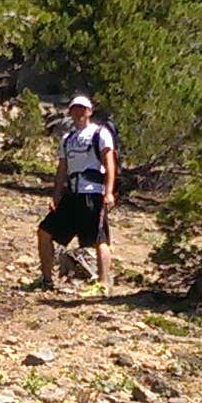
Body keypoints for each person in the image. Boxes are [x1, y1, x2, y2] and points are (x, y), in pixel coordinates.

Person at [35, 93, 117, 294]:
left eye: (83, 108)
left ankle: (104, 283)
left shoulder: (100, 133)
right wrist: (56, 195)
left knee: (100, 239)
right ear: (70, 112)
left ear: (89, 111)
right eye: (75, 109)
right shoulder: (67, 139)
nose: (79, 112)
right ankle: (46, 280)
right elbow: (62, 168)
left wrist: (108, 192)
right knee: (44, 232)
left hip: (93, 193)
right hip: (72, 194)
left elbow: (109, 163)